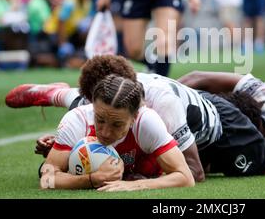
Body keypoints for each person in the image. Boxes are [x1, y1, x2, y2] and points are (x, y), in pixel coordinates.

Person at [6, 57, 265, 178]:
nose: (102, 129)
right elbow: (100, 128)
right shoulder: (101, 100)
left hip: (221, 128)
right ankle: (54, 90)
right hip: (176, 113)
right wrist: (66, 148)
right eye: (96, 115)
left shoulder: (160, 106)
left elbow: (192, 173)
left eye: (115, 123)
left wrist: (126, 177)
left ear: (137, 110)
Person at [39, 74, 195, 191]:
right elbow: (46, 179)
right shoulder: (76, 120)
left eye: (117, 124)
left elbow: (186, 177)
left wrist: (134, 185)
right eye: (100, 120)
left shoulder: (147, 122)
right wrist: (91, 179)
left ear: (134, 117)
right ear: (93, 107)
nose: (106, 132)